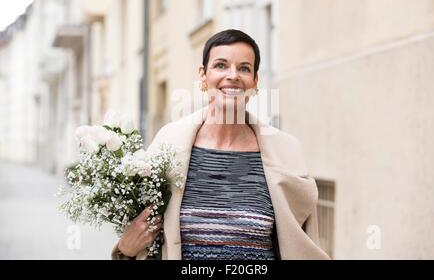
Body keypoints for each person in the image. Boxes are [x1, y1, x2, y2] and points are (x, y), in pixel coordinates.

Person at [112, 29, 330, 260]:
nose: (233, 75)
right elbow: (144, 238)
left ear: (255, 82)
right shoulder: (169, 143)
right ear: (203, 76)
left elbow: (303, 244)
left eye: (244, 68)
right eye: (221, 65)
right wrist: (125, 250)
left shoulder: (286, 152)